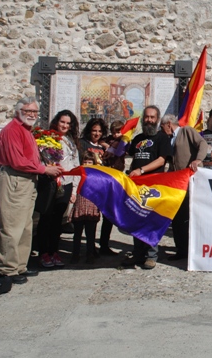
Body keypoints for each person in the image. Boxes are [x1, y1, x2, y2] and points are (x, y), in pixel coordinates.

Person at [0, 97, 62, 285]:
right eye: (28, 111)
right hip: (16, 178)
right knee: (12, 226)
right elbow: (17, 161)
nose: (32, 114)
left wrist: (42, 166)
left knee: (25, 226)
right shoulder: (12, 130)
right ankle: (7, 269)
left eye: (34, 111)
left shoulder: (26, 130)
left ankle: (20, 266)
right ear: (18, 111)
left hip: (27, 179)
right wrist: (44, 169)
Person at [123, 105, 172, 270]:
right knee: (137, 220)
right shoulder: (137, 139)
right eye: (147, 117)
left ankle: (151, 255)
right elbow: (127, 154)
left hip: (153, 186)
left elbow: (161, 160)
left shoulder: (162, 138)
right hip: (136, 187)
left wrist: (141, 170)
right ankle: (138, 254)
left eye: (152, 117)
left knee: (151, 221)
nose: (149, 120)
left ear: (157, 119)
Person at [160, 113, 208, 261]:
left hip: (190, 184)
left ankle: (193, 250)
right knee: (178, 219)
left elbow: (203, 144)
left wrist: (198, 159)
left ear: (168, 124)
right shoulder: (169, 139)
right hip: (177, 184)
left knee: (189, 218)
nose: (162, 131)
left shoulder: (186, 131)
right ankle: (181, 250)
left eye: (162, 127)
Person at [37, 110, 81, 269]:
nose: (65, 125)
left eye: (68, 123)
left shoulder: (70, 141)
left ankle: (53, 250)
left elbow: (76, 165)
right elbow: (40, 160)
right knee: (46, 219)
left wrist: (75, 189)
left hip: (67, 183)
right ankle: (43, 253)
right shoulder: (46, 139)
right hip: (50, 183)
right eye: (63, 122)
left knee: (57, 221)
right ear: (57, 122)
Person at [97, 120, 126, 256]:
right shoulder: (107, 140)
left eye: (118, 132)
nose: (115, 135)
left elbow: (118, 152)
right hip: (106, 178)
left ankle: (105, 243)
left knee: (112, 214)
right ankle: (102, 244)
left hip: (116, 178)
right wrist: (104, 144)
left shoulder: (124, 142)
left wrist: (107, 146)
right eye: (113, 132)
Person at [71, 152, 102, 264]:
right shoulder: (78, 173)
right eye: (85, 162)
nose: (87, 164)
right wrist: (73, 195)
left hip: (92, 206)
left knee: (90, 233)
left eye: (90, 162)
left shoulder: (97, 175)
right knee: (77, 233)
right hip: (80, 205)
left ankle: (90, 254)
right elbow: (74, 184)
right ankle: (75, 254)